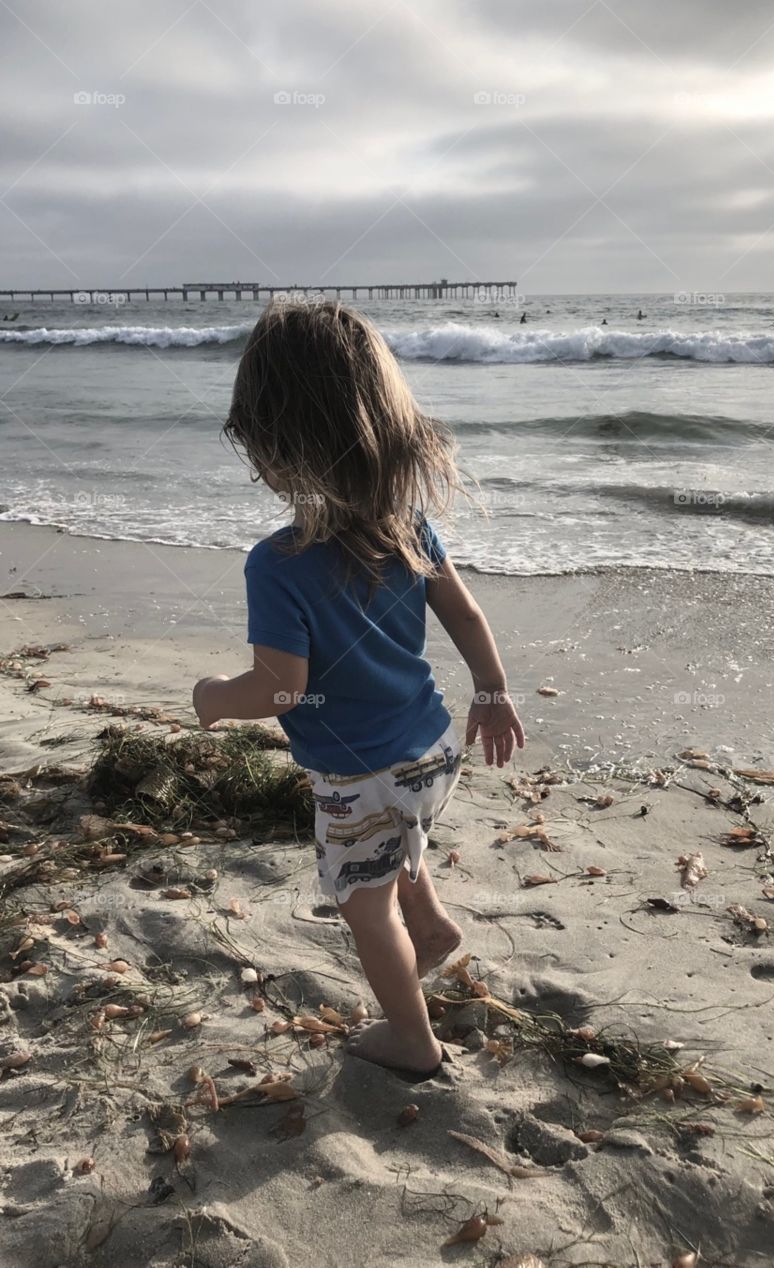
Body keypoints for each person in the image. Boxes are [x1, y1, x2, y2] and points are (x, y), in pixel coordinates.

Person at [192, 300, 524, 1082]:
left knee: (362, 903)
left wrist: (214, 697)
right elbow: (467, 615)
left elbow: (280, 690)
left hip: (356, 775)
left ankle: (412, 1038)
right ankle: (435, 922)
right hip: (433, 748)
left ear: (275, 444)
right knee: (397, 832)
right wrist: (493, 692)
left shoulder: (276, 565)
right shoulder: (408, 524)